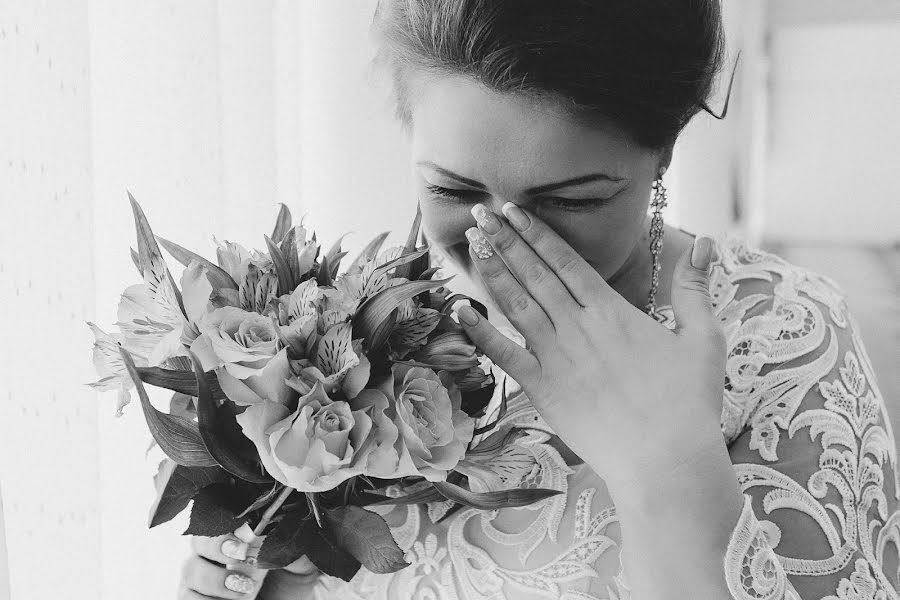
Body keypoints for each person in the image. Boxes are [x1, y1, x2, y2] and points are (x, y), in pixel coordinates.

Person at [178, 1, 900, 598]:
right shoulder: (338, 327)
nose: (496, 238)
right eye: (453, 191)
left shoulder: (784, 334)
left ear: (665, 152)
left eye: (569, 200)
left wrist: (668, 472)